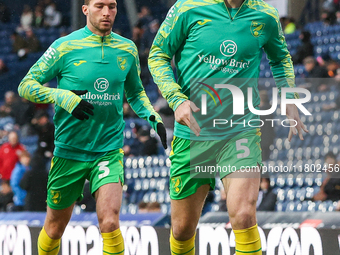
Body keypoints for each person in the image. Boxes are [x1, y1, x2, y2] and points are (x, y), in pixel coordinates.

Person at [149, 0, 307, 254]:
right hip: (193, 132)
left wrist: (289, 97)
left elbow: (280, 59)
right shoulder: (187, 8)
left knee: (244, 216)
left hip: (241, 128)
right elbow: (158, 55)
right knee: (181, 230)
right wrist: (177, 99)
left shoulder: (265, 15)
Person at [18, 1, 166, 255]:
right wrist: (62, 96)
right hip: (69, 151)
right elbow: (26, 85)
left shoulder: (126, 48)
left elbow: (136, 93)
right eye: (100, 6)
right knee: (54, 228)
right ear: (85, 10)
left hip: (108, 150)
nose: (107, 12)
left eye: (112, 6)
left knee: (109, 222)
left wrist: (152, 115)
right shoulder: (65, 46)